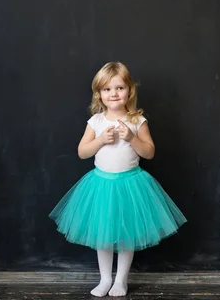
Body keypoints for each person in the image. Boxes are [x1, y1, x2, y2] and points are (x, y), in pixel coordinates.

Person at [49, 61, 186, 297]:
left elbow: (149, 152)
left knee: (125, 236)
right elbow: (82, 152)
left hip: (131, 185)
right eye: (107, 89)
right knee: (102, 235)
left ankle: (121, 280)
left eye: (119, 88)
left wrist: (132, 138)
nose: (114, 93)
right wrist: (101, 140)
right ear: (99, 94)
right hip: (101, 185)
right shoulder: (96, 122)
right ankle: (104, 279)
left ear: (130, 91)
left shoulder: (137, 121)